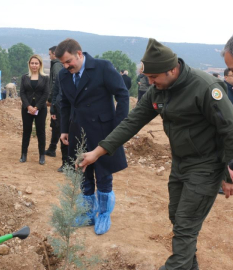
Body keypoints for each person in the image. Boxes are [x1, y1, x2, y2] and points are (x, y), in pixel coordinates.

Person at [79, 38, 233, 270]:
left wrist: (228, 172)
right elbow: (131, 122)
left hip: (207, 165)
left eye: (154, 78)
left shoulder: (205, 88)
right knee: (177, 219)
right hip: (180, 164)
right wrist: (97, 153)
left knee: (185, 226)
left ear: (172, 70)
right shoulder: (158, 90)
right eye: (147, 78)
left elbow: (229, 129)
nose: (150, 83)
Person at [56, 38, 129, 235]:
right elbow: (64, 102)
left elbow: (122, 94)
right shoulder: (64, 75)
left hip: (103, 131)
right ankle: (88, 213)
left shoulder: (102, 67)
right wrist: (64, 129)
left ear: (79, 54)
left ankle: (104, 214)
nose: (66, 66)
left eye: (68, 61)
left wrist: (119, 127)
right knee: (83, 173)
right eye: (62, 63)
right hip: (77, 130)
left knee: (103, 174)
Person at [19, 54, 49, 165]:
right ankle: (23, 154)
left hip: (40, 108)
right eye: (32, 63)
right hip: (26, 107)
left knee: (41, 132)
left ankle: (42, 155)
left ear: (40, 64)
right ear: (29, 64)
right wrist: (28, 106)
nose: (34, 65)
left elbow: (46, 93)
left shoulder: (45, 78)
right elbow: (22, 92)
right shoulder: (24, 77)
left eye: (36, 63)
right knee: (26, 131)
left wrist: (36, 107)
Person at [45, 46, 64, 158]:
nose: (49, 56)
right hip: (57, 100)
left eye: (50, 54)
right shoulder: (57, 64)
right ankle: (52, 148)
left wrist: (51, 98)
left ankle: (62, 154)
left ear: (55, 54)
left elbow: (56, 82)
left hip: (57, 101)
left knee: (58, 125)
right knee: (55, 125)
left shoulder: (56, 65)